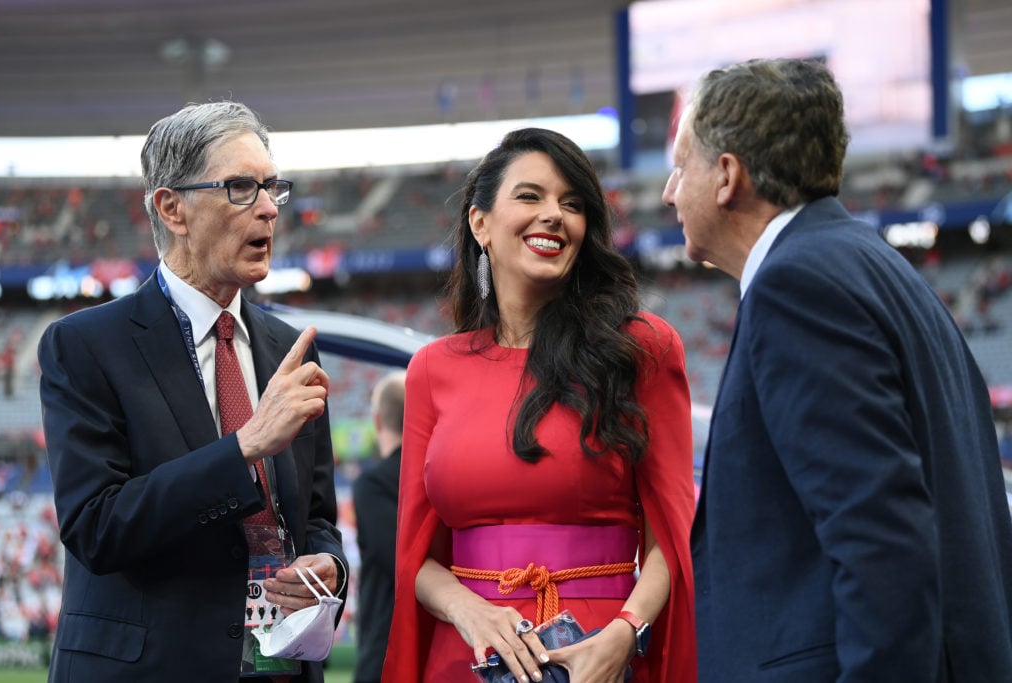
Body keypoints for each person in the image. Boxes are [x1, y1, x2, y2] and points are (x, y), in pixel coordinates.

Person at [667, 58, 1012, 681]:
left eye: (679, 165)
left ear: (726, 176)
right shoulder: (873, 266)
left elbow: (880, 535)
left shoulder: (795, 287)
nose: (668, 191)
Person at [38, 101, 348, 683]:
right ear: (172, 208)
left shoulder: (292, 346)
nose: (267, 209)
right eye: (239, 187)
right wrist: (245, 446)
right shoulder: (84, 345)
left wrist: (329, 565)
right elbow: (95, 528)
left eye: (270, 188)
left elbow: (316, 516)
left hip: (280, 668)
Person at [382, 127, 697, 682]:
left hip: (599, 657)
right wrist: (468, 610)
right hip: (465, 658)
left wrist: (626, 632)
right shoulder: (432, 370)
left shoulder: (643, 348)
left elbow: (672, 530)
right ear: (479, 223)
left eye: (572, 203)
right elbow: (416, 557)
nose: (554, 214)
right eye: (530, 196)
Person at [351, 370, 406, 683]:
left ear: (377, 421)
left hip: (385, 645)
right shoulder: (438, 480)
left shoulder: (373, 483)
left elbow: (396, 562)